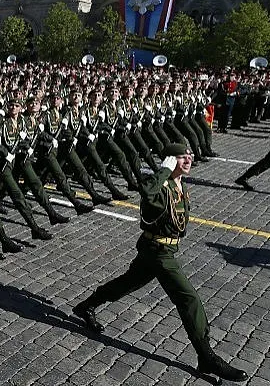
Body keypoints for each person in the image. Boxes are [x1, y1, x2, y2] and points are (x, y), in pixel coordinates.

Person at [72, 144, 249, 383]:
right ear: (169, 161)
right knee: (188, 299)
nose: (188, 160)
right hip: (159, 252)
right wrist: (163, 170)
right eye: (181, 158)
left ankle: (87, 305)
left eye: (189, 156)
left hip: (159, 249)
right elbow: (146, 191)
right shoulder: (159, 185)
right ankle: (207, 357)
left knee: (128, 283)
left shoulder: (178, 185)